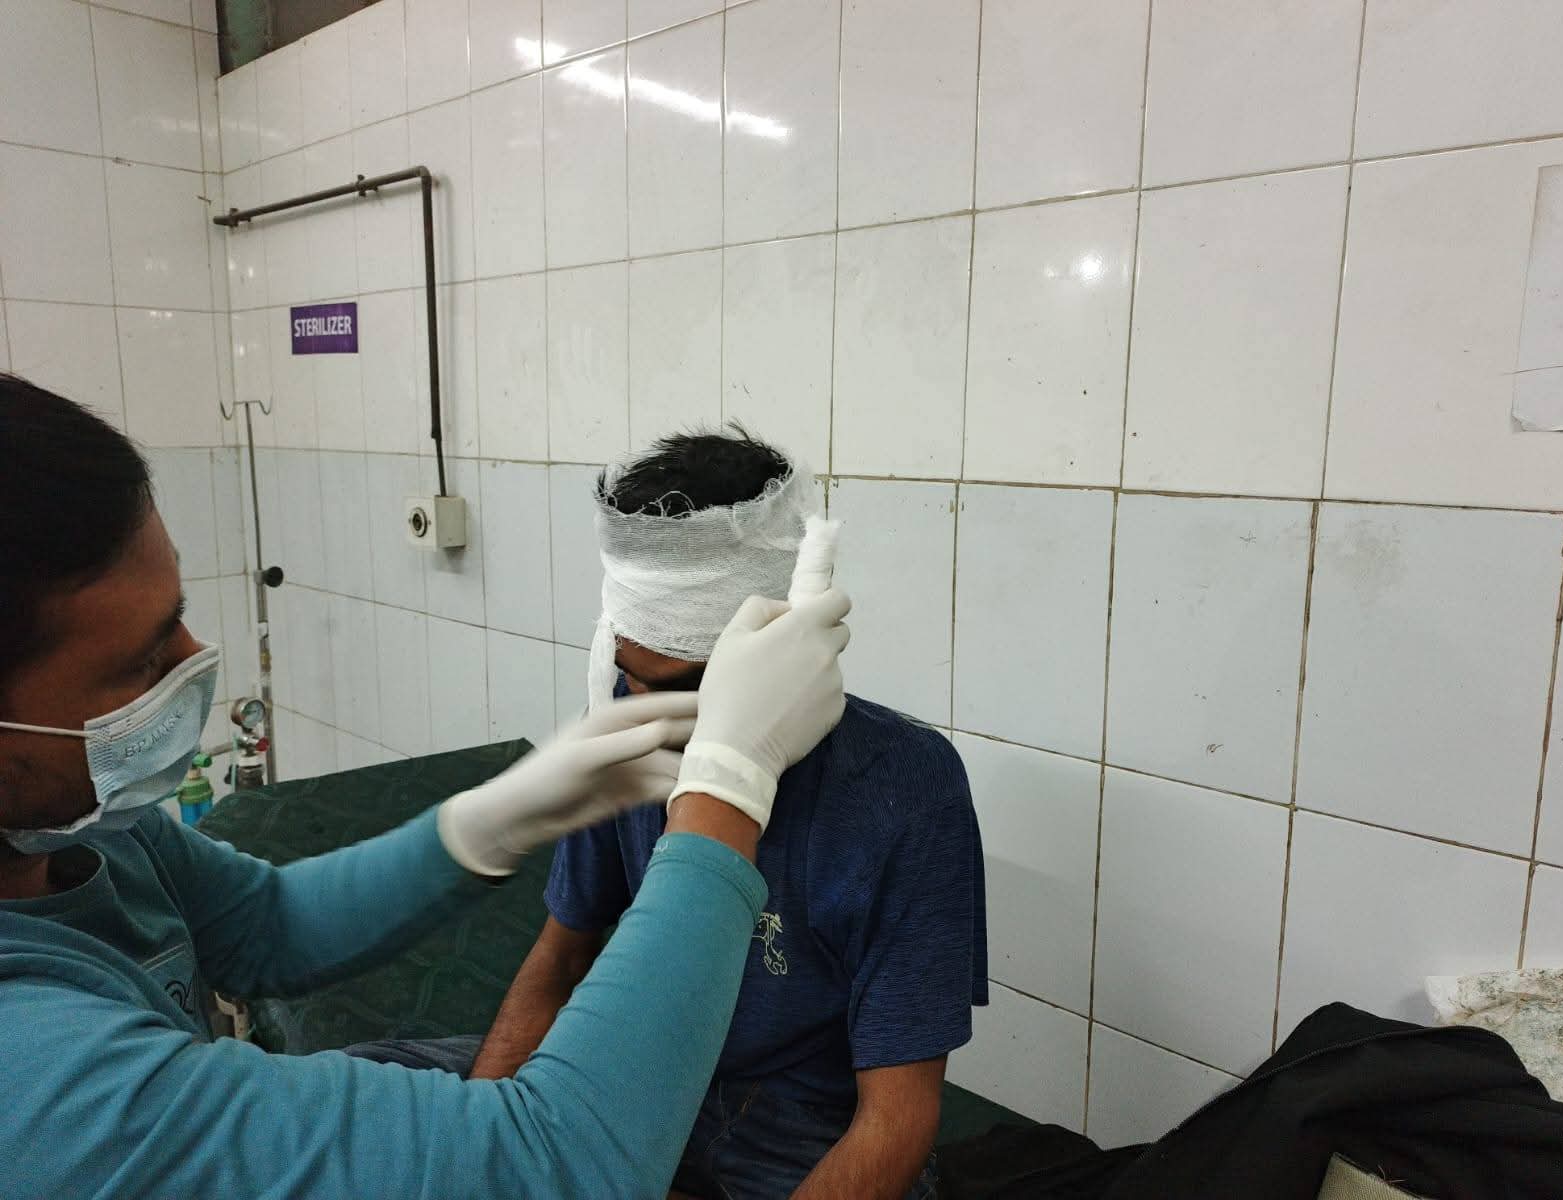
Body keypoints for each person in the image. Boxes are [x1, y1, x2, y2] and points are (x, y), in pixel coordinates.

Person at [0, 375, 851, 1200]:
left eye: (179, 618)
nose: (194, 665)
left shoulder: (90, 825)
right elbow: (550, 1166)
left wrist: (490, 823)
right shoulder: (35, 1076)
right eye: (142, 662)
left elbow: (266, 926)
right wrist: (729, 786)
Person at [473, 430, 989, 1200]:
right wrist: (473, 1149)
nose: (654, 717)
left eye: (689, 689)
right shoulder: (626, 730)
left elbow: (897, 1116)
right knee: (374, 1119)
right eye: (631, 678)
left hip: (798, 1126)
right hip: (634, 1074)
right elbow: (559, 961)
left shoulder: (904, 788)